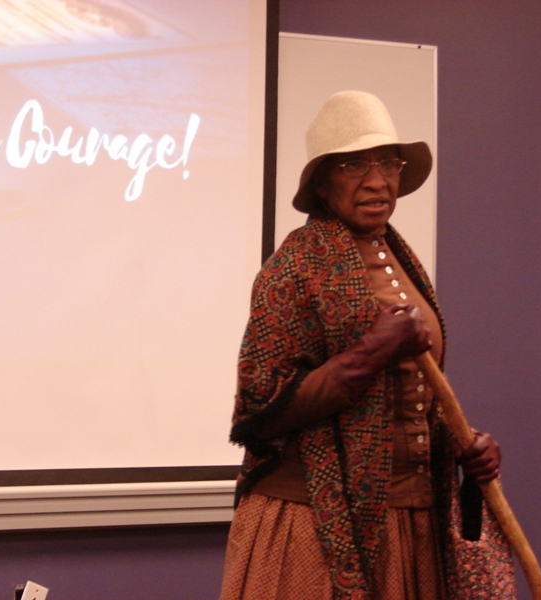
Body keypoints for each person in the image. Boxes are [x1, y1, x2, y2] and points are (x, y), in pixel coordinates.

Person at [219, 91, 516, 600]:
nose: (378, 181)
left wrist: (461, 443)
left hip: (409, 525)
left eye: (388, 163)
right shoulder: (293, 267)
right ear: (322, 181)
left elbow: (411, 399)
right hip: (314, 526)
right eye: (354, 164)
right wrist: (373, 350)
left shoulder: (402, 259)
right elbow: (258, 410)